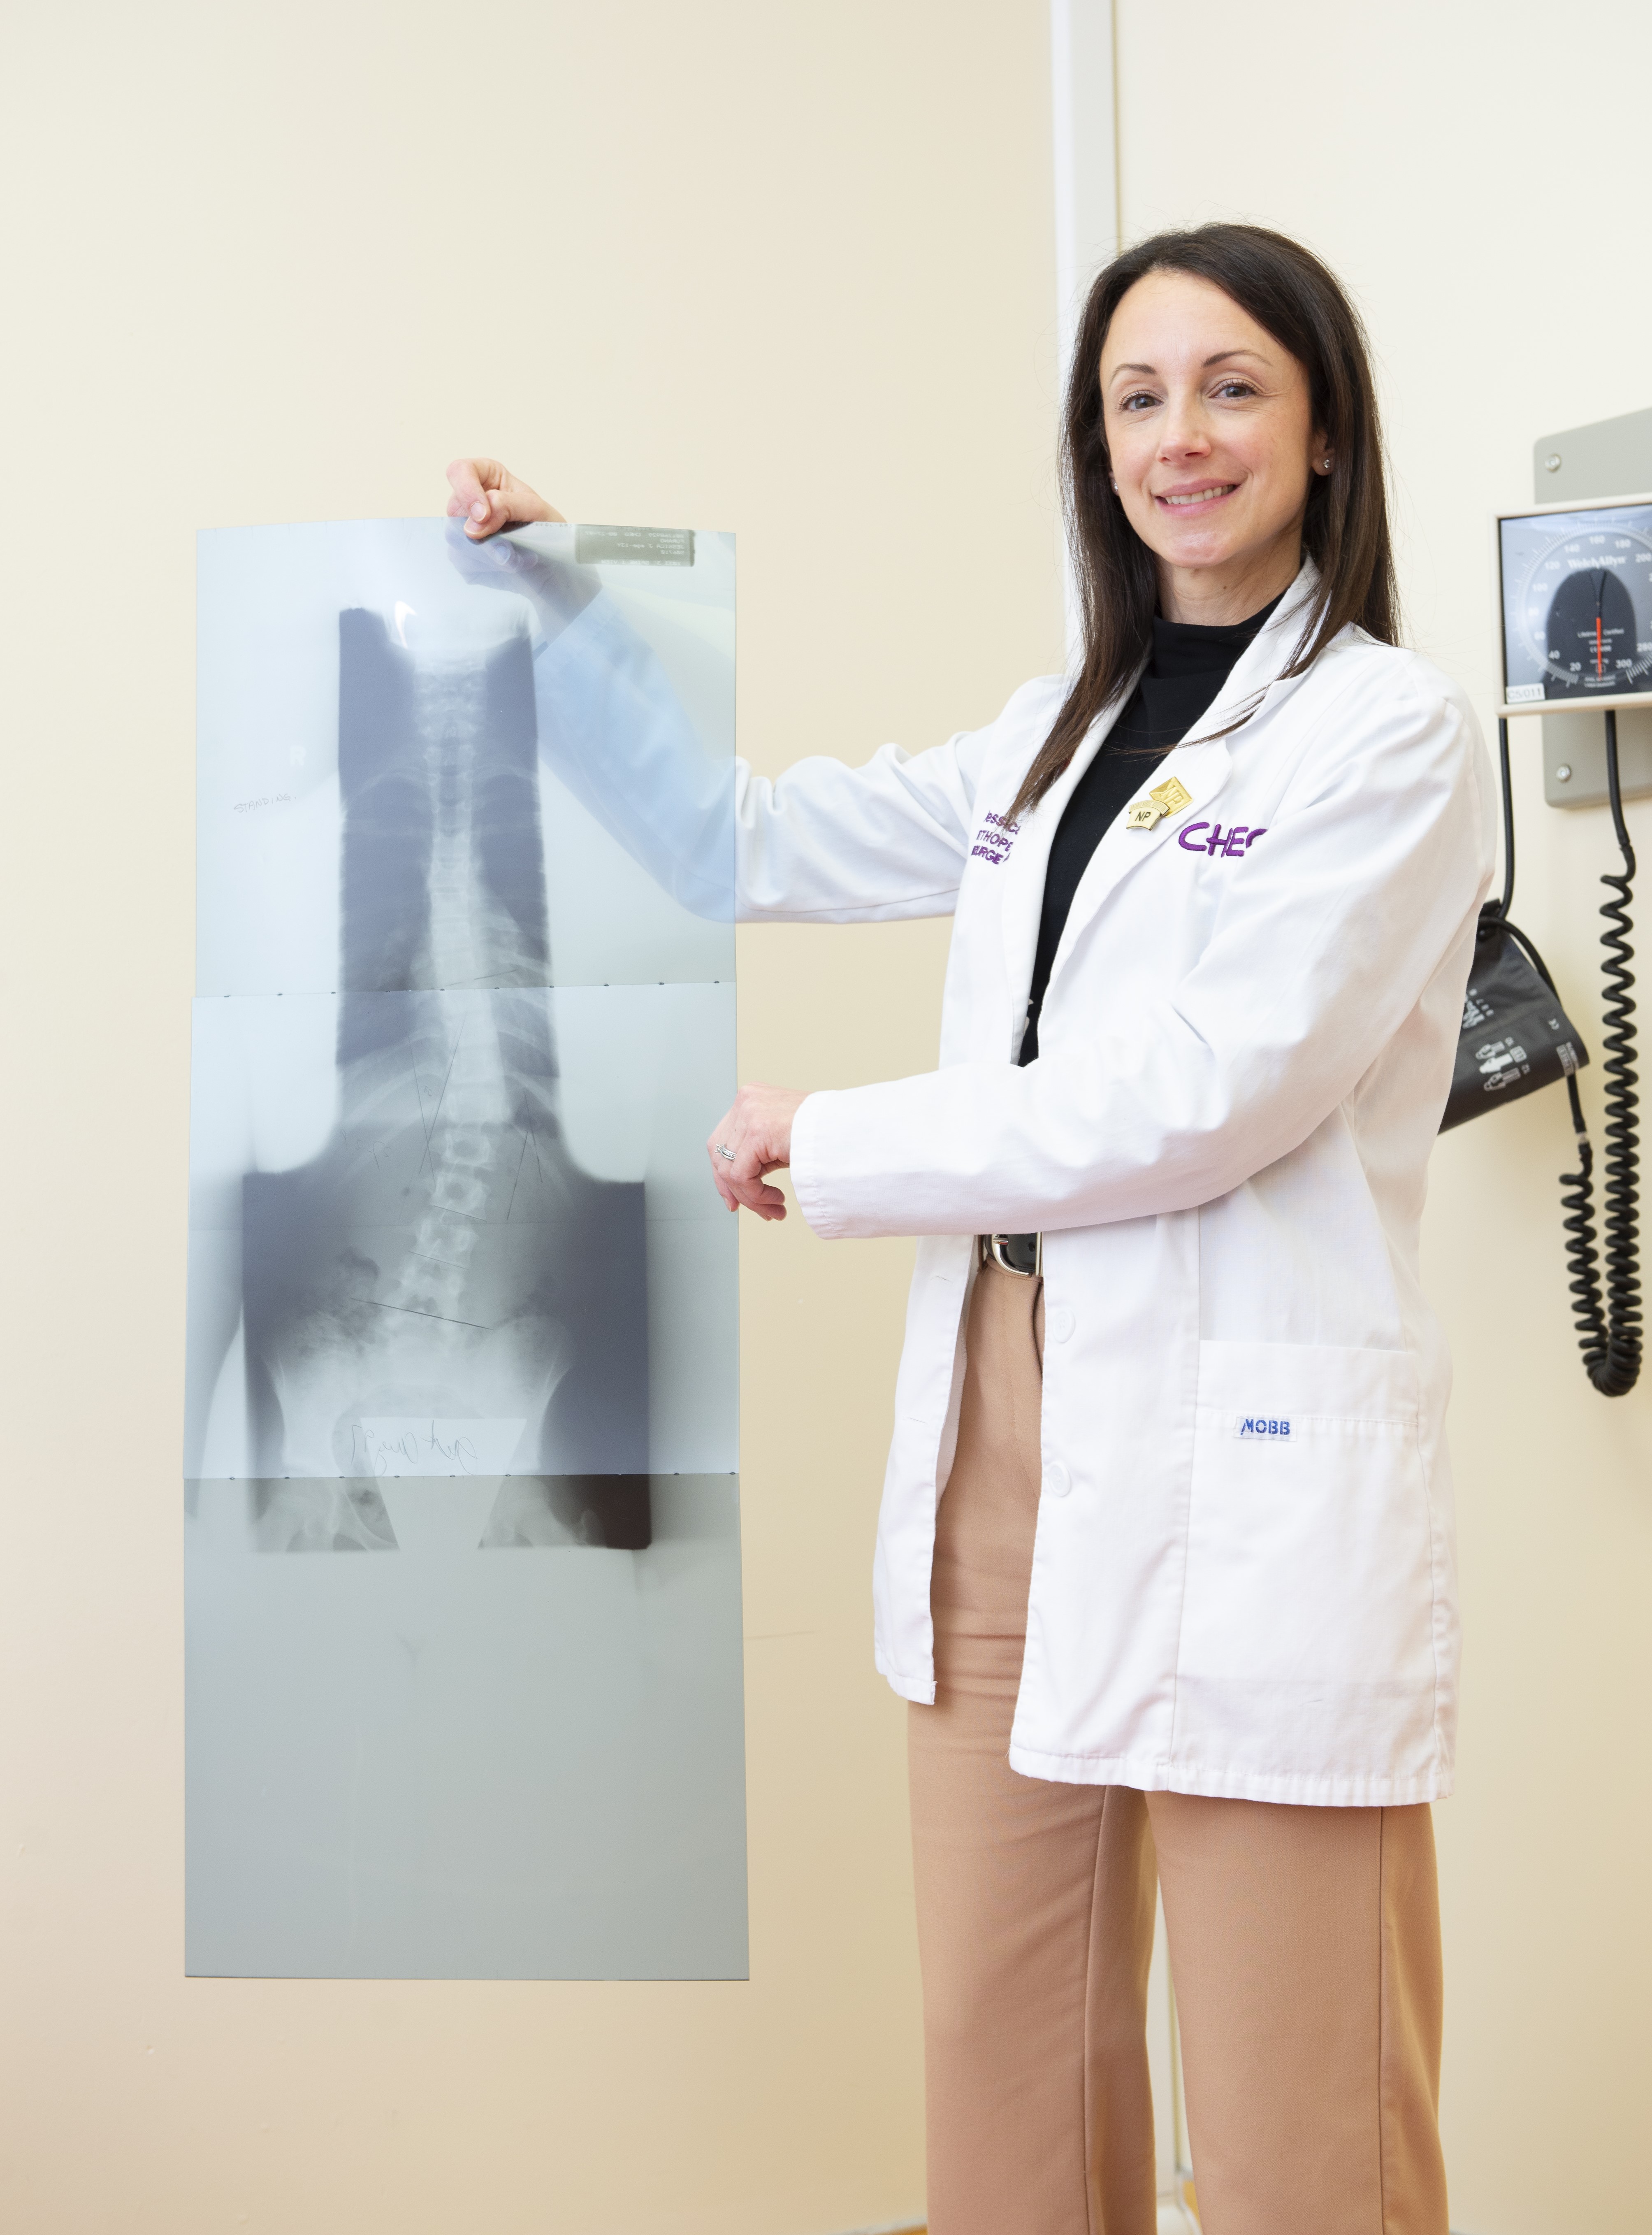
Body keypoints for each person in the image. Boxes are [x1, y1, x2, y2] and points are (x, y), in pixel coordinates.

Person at [447, 221, 1492, 2235]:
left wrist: (832, 1144)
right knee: (998, 2068)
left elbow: (1208, 1089)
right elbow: (731, 834)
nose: (1174, 437)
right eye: (1132, 396)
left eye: (1227, 387)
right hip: (1004, 1413)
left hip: (1232, 1430)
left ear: (1324, 433)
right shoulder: (1057, 725)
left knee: (1300, 2120)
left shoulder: (1385, 735)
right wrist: (562, 608)